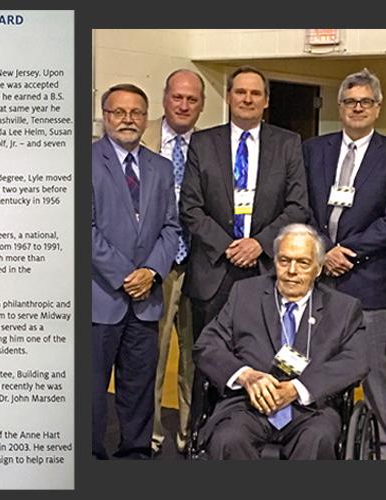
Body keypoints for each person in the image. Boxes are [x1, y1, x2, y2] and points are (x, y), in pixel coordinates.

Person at [180, 66, 308, 447]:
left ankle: (262, 434)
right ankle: (205, 439)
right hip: (214, 272)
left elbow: (297, 206)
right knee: (209, 362)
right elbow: (190, 207)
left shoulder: (288, 143)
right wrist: (227, 245)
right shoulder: (203, 143)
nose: (247, 99)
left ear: (266, 101)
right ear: (230, 97)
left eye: (255, 93)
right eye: (240, 92)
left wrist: (260, 243)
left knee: (268, 355)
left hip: (266, 270)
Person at [303, 68, 386, 460]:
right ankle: (323, 440)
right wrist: (324, 250)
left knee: (377, 369)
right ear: (340, 106)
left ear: (378, 108)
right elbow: (303, 208)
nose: (358, 108)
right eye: (351, 102)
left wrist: (345, 251)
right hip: (318, 280)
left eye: (366, 102)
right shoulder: (314, 150)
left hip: (367, 281)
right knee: (318, 365)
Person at [193, 224, 368, 459]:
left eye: (303, 263)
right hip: (248, 404)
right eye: (284, 261)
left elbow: (356, 360)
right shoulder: (245, 293)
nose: (292, 270)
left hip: (309, 408)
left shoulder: (343, 308)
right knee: (228, 438)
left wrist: (298, 389)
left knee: (318, 439)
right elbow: (207, 344)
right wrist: (246, 376)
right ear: (275, 262)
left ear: (318, 269)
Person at [91, 83, 180, 459]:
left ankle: (136, 453)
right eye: (118, 112)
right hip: (101, 297)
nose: (128, 119)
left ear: (147, 118)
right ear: (105, 116)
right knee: (93, 387)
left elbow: (171, 227)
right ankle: (90, 456)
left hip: (146, 300)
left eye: (136, 113)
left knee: (139, 385)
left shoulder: (160, 167)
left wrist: (152, 273)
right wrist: (126, 275)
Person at [141, 69, 205, 455]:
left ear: (202, 104)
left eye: (192, 99)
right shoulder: (139, 135)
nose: (184, 105)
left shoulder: (211, 144)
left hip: (200, 263)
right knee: (152, 353)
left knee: (196, 356)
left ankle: (189, 430)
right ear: (165, 97)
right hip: (153, 265)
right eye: (177, 97)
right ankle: (148, 432)